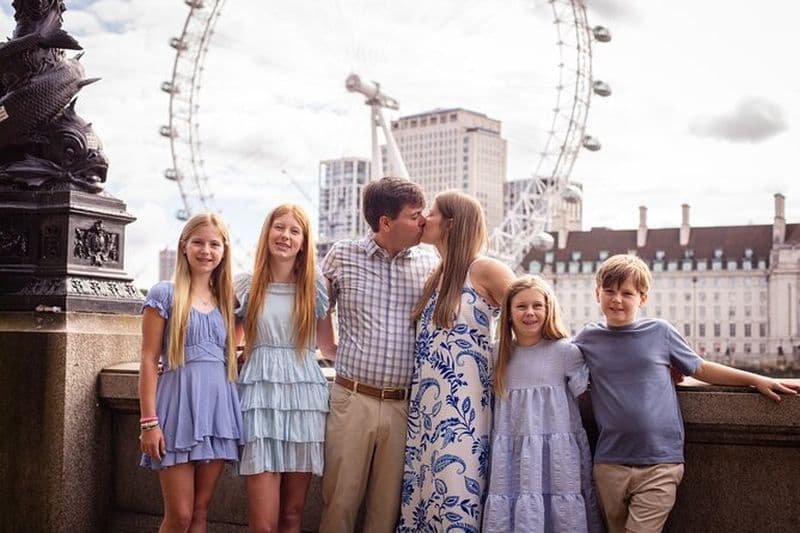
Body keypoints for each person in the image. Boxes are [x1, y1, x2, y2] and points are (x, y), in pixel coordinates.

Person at [573, 254, 800, 533]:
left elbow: (700, 368)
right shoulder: (587, 338)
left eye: (627, 293)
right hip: (609, 461)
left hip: (660, 461)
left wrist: (756, 380)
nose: (616, 299)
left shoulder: (660, 332)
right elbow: (559, 365)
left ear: (642, 299)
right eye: (609, 291)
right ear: (597, 294)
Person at [319, 177, 438, 533]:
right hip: (352, 399)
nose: (423, 221)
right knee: (339, 503)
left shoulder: (429, 262)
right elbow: (319, 306)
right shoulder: (342, 255)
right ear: (385, 222)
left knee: (386, 512)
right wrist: (329, 348)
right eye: (415, 215)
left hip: (404, 405)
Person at [397, 190, 515, 532]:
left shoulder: (485, 269)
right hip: (426, 415)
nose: (423, 219)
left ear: (450, 223)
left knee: (455, 499)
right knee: (424, 503)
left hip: (463, 413)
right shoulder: (436, 276)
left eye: (430, 213)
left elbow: (533, 309)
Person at [234, 204, 336, 532]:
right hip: (260, 399)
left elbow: (329, 347)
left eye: (295, 231)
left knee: (292, 516)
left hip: (304, 399)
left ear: (304, 242)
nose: (285, 236)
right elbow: (229, 340)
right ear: (267, 233)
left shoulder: (314, 286)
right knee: (262, 524)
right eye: (279, 228)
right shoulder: (245, 285)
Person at [138, 213, 243, 532]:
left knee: (200, 513)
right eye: (198, 242)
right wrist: (149, 422)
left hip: (218, 412)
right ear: (184, 246)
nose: (206, 250)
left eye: (214, 244)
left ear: (224, 250)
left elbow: (233, 353)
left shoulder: (228, 300)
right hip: (177, 409)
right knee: (180, 515)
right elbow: (147, 359)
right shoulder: (164, 293)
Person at [482, 275, 603, 533]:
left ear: (548, 309)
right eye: (521, 306)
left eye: (537, 305)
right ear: (509, 313)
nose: (530, 313)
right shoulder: (496, 354)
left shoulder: (565, 352)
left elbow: (593, 396)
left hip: (557, 453)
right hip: (513, 452)